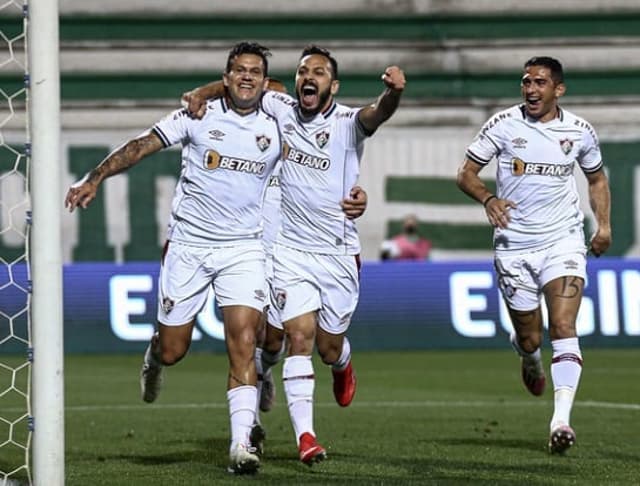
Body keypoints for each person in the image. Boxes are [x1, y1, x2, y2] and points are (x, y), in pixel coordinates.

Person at [65, 42, 283, 475]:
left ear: (264, 81)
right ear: (225, 77)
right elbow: (142, 144)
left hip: (244, 247)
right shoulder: (197, 117)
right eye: (238, 70)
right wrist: (95, 177)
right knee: (173, 349)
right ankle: (153, 357)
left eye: (255, 72)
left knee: (243, 340)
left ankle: (242, 445)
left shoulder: (279, 120)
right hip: (189, 245)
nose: (246, 77)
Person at [185, 45, 405, 465]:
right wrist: (202, 93)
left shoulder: (347, 123)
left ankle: (343, 363)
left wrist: (393, 93)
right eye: (305, 70)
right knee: (297, 337)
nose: (310, 77)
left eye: (319, 72)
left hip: (337, 253)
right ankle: (307, 437)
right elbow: (240, 86)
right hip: (290, 251)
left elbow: (378, 112)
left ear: (332, 85)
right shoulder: (280, 106)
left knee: (327, 346)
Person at [456, 56, 611, 454]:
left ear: (558, 89)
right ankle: (529, 358)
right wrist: (488, 197)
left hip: (563, 240)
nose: (530, 89)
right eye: (526, 82)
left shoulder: (579, 132)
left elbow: (595, 178)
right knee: (530, 336)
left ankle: (561, 420)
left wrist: (604, 225)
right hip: (514, 246)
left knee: (563, 326)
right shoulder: (503, 124)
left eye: (539, 82)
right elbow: (466, 173)